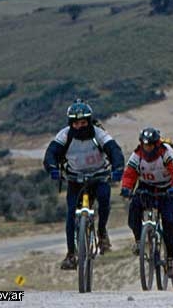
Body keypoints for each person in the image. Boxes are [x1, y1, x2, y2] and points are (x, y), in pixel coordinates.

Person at [43, 99, 124, 270]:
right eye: (75, 123)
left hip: (99, 176)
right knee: (71, 213)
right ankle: (71, 254)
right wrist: (52, 169)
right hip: (75, 179)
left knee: (104, 200)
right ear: (70, 123)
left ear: (89, 121)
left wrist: (117, 168)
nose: (79, 126)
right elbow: (51, 153)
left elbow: (114, 150)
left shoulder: (99, 134)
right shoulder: (64, 135)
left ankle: (102, 233)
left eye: (83, 122)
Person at [120, 127, 173, 277]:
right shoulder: (137, 154)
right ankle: (139, 240)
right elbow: (129, 173)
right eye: (144, 144)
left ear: (156, 144)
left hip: (167, 189)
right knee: (134, 208)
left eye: (150, 145)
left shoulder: (167, 152)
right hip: (146, 187)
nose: (147, 148)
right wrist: (126, 188)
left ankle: (170, 259)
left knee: (169, 221)